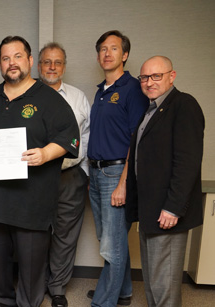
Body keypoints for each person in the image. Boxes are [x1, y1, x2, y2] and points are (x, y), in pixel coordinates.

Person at [0, 36, 79, 307]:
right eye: (5, 58)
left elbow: (69, 138)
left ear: (28, 61)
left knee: (30, 260)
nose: (11, 63)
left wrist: (45, 153)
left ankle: (28, 303)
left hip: (31, 196)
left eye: (17, 56)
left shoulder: (49, 98)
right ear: (0, 63)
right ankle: (1, 298)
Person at [125, 56, 204, 307]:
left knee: (165, 285)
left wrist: (173, 207)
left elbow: (188, 162)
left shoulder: (183, 105)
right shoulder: (151, 109)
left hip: (166, 211)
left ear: (172, 76)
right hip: (150, 211)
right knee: (153, 280)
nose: (149, 82)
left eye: (156, 76)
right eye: (144, 77)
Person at [87, 30, 148, 307]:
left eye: (113, 48)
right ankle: (122, 291)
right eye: (102, 49)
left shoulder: (133, 89)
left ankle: (104, 302)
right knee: (111, 239)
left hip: (116, 174)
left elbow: (137, 139)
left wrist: (124, 182)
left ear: (124, 55)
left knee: (111, 244)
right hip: (97, 173)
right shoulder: (101, 91)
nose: (107, 53)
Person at [37, 42, 90, 307]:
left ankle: (57, 287)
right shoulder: (28, 95)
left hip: (70, 177)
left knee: (65, 233)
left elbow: (88, 136)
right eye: (47, 62)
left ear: (64, 67)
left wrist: (86, 174)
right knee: (34, 233)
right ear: (38, 65)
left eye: (57, 62)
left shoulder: (78, 97)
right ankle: (33, 288)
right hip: (34, 178)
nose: (52, 67)